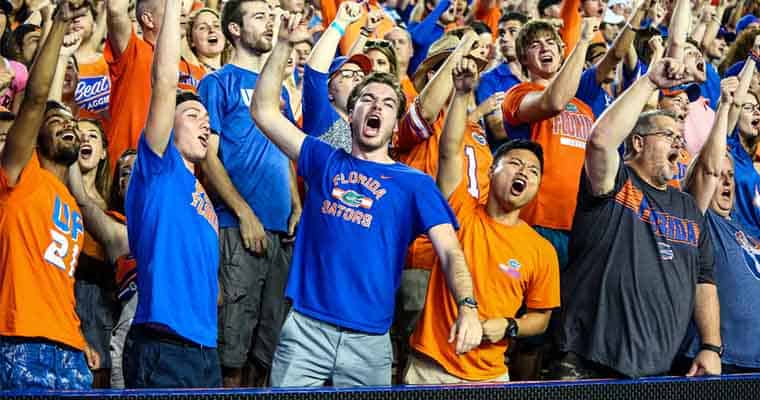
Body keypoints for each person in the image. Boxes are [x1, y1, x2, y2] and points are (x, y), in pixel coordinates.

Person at [251, 11, 482, 387]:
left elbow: (451, 252)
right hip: (306, 331)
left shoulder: (414, 184)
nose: (376, 107)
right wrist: (282, 47)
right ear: (352, 114)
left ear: (394, 126)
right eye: (367, 100)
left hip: (370, 343)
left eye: (388, 104)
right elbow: (263, 112)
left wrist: (468, 307)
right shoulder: (323, 158)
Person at [555, 58, 720, 379]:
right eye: (667, 134)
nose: (678, 141)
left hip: (657, 367)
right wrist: (649, 82)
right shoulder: (615, 185)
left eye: (680, 136)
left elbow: (705, 279)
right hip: (589, 362)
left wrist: (711, 346)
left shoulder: (687, 208)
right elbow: (600, 142)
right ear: (637, 142)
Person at [405, 57, 560, 384]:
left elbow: (541, 317)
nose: (524, 173)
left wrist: (509, 325)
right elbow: (449, 152)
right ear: (491, 171)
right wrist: (462, 94)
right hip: (431, 368)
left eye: (533, 172)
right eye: (515, 164)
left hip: (491, 375)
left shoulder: (540, 249)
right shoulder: (461, 210)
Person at [198, 0, 300, 388]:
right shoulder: (217, 83)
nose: (270, 23)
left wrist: (297, 204)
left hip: (281, 232)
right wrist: (243, 213)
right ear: (235, 30)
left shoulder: (279, 92)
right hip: (239, 229)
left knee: (268, 351)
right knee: (232, 352)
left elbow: (286, 152)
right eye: (260, 17)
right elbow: (208, 158)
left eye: (271, 16)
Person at [0, 1, 100, 390]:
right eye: (57, 123)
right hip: (21, 342)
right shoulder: (19, 174)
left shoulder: (72, 204)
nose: (69, 127)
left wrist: (79, 338)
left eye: (72, 122)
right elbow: (38, 98)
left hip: (70, 349)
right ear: (35, 136)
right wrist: (57, 21)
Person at [122, 0, 220, 388]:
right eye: (192, 115)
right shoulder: (160, 166)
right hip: (163, 346)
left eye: (206, 117)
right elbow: (164, 80)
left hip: (204, 350)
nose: (204, 121)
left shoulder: (203, 194)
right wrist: (173, 6)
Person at [678, 61, 760, 375]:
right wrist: (726, 106)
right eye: (720, 176)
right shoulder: (698, 217)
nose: (726, 181)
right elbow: (708, 168)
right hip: (722, 361)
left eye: (730, 176)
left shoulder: (744, 228)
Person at [501, 19, 597, 269]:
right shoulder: (518, 94)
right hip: (538, 220)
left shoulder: (585, 109)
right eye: (535, 45)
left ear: (561, 49)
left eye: (551, 42)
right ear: (523, 58)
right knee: (535, 304)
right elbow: (553, 102)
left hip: (582, 222)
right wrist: (584, 41)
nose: (545, 48)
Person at [65, 149, 136, 389]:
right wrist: (73, 149)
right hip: (132, 340)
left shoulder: (178, 226)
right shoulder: (120, 232)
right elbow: (82, 200)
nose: (133, 176)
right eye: (125, 173)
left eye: (141, 169)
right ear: (119, 188)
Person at [105, 0, 203, 170]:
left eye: (180, 6)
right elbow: (115, 8)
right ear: (148, 19)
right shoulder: (134, 51)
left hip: (179, 179)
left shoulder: (198, 73)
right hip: (131, 173)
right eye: (171, 6)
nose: (181, 12)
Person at [73, 117, 118, 388]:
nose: (85, 139)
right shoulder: (54, 192)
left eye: (93, 136)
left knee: (100, 374)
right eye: (79, 135)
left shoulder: (116, 202)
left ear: (103, 153)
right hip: (64, 293)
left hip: (102, 302)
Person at [301, 2, 373, 152]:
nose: (357, 78)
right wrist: (341, 23)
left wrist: (366, 31)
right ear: (329, 91)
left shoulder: (368, 129)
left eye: (361, 76)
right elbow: (314, 70)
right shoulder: (322, 116)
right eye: (347, 75)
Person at [476, 12, 526, 149]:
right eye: (502, 33)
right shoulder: (489, 79)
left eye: (512, 32)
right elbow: (499, 131)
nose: (504, 38)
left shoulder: (538, 74)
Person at [187, 8, 226, 72]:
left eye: (216, 26)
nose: (212, 30)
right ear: (191, 40)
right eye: (202, 28)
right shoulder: (184, 70)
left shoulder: (238, 74)